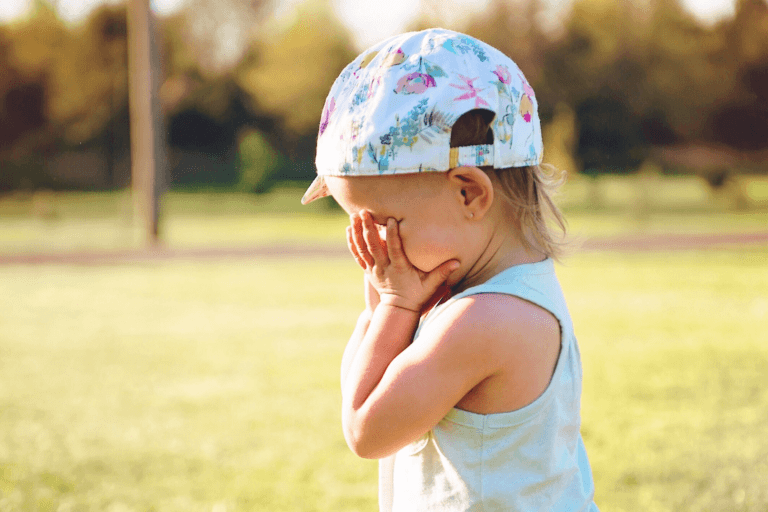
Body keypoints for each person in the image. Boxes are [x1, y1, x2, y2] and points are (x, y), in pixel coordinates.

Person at [301, 28, 598, 512]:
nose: (373, 248)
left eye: (382, 225)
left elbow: (365, 428)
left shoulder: (485, 321)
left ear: (469, 194)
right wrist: (388, 305)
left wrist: (391, 306)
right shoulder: (492, 295)